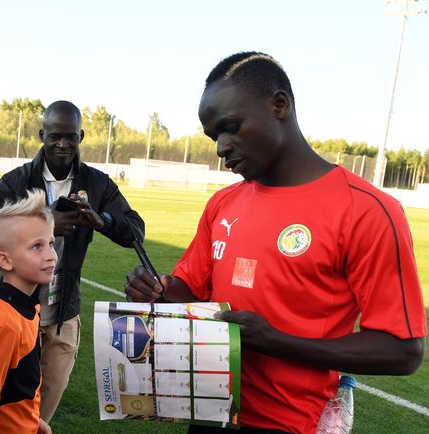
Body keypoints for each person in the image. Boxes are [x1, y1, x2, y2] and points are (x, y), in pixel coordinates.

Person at [124, 52, 426, 434]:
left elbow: (402, 350)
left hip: (290, 424)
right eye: (214, 136)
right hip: (209, 412)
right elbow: (190, 290)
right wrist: (158, 291)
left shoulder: (365, 210)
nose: (221, 147)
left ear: (279, 105)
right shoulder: (223, 204)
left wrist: (275, 341)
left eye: (231, 127)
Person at [0, 100, 145, 422]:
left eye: (70, 136)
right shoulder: (16, 182)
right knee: (6, 406)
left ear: (81, 136)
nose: (63, 144)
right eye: (55, 136)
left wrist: (103, 220)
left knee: (44, 411)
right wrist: (45, 223)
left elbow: (135, 231)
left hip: (64, 314)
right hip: (17, 311)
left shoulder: (96, 183)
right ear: (42, 135)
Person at [0, 190, 54, 434]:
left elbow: (16, 386)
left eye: (51, 243)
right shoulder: (5, 324)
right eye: (37, 246)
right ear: (5, 260)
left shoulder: (26, 306)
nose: (50, 255)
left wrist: (35, 421)